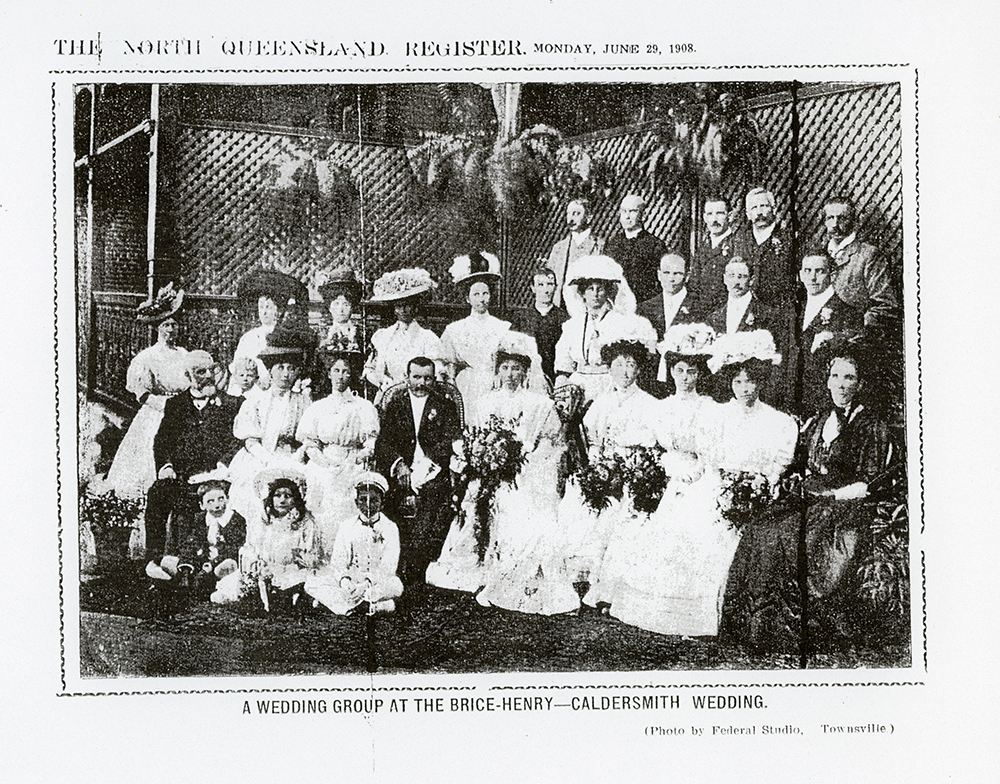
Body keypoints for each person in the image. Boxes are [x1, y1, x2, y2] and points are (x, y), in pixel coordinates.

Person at [721, 351, 896, 652]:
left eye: (849, 377)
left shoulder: (872, 425)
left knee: (790, 537)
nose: (841, 385)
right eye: (835, 376)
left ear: (860, 383)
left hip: (844, 503)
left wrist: (831, 495)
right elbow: (801, 464)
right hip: (810, 496)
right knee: (760, 528)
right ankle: (753, 626)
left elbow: (868, 482)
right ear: (827, 381)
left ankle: (792, 631)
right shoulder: (819, 420)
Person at [607, 324, 725, 633]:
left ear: (700, 374)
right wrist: (669, 466)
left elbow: (711, 453)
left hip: (701, 480)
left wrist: (697, 470)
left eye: (692, 371)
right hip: (670, 477)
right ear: (671, 371)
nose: (685, 378)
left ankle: (694, 612)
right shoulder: (662, 407)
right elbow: (653, 446)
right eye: (680, 370)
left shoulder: (710, 408)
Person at [451, 333, 578, 613]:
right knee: (478, 500)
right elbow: (476, 438)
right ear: (497, 371)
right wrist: (485, 460)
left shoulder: (539, 404)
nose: (510, 374)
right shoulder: (485, 402)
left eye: (516, 368)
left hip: (528, 471)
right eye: (505, 368)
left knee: (525, 510)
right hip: (491, 472)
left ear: (525, 372)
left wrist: (526, 461)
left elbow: (552, 443)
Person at [574, 336, 665, 608]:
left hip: (635, 471)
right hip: (606, 469)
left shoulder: (650, 404)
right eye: (618, 365)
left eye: (630, 365)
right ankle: (589, 574)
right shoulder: (602, 401)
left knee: (623, 514)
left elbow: (654, 446)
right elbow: (593, 440)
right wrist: (599, 465)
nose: (624, 372)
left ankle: (615, 581)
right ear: (610, 369)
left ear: (638, 370)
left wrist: (634, 467)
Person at [145, 351, 243, 568]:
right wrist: (166, 466)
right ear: (188, 376)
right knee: (157, 493)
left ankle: (218, 562)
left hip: (218, 476)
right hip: (183, 476)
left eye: (212, 370)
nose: (208, 376)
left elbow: (238, 440)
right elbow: (162, 440)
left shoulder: (231, 404)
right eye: (200, 372)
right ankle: (155, 560)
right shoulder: (176, 405)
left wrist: (224, 464)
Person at [375, 357, 462, 594]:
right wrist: (399, 464)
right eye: (416, 377)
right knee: (389, 502)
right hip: (401, 471)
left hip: (432, 471)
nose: (422, 382)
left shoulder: (444, 405)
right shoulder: (396, 404)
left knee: (433, 500)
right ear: (407, 377)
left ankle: (416, 569)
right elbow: (384, 442)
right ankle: (392, 566)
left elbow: (450, 441)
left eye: (427, 378)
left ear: (433, 379)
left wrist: (426, 466)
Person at [106, 284, 189, 501]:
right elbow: (141, 393)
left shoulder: (184, 354)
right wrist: (164, 405)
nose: (171, 330)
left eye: (174, 325)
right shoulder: (147, 357)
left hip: (182, 409)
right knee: (150, 455)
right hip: (156, 411)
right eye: (166, 325)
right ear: (158, 328)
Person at [226, 325, 314, 523]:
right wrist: (268, 460)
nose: (286, 374)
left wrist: (295, 458)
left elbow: (308, 438)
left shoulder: (304, 401)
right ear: (271, 370)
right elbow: (250, 441)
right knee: (253, 491)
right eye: (280, 368)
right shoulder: (256, 401)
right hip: (260, 456)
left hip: (293, 457)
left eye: (291, 369)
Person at [297, 350, 380, 542]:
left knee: (349, 494)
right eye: (336, 370)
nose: (340, 376)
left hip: (352, 462)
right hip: (323, 461)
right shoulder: (318, 407)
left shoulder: (363, 407)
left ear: (352, 375)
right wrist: (324, 462)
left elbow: (370, 445)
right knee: (319, 489)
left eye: (345, 371)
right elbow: (310, 443)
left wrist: (352, 461)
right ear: (329, 373)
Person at [553, 255, 657, 403]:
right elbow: (564, 361)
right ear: (582, 293)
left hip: (609, 384)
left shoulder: (620, 322)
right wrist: (563, 384)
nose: (595, 294)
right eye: (590, 289)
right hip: (578, 385)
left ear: (607, 292)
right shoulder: (573, 325)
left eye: (600, 289)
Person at [305, 473, 403, 616]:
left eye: (374, 500)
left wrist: (365, 585)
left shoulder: (390, 527)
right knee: (311, 583)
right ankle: (373, 605)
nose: (368, 505)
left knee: (396, 586)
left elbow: (389, 566)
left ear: (382, 503)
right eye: (363, 500)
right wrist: (345, 582)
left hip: (376, 582)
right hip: (351, 580)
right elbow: (338, 562)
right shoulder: (346, 526)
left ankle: (341, 605)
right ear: (356, 502)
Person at [438, 251, 514, 420]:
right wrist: (451, 384)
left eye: (485, 293)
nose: (482, 299)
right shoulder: (455, 329)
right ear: (467, 298)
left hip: (495, 383)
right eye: (476, 294)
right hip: (467, 385)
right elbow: (448, 362)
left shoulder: (502, 327)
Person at [242, 467, 324, 611]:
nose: (282, 500)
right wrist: (257, 560)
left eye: (287, 496)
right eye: (277, 495)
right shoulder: (265, 521)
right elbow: (253, 545)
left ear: (295, 499)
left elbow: (311, 554)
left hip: (294, 569)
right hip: (267, 568)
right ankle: (269, 595)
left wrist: (296, 555)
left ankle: (294, 595)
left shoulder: (305, 523)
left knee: (306, 581)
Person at [795, 252, 864, 415]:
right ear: (800, 275)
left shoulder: (848, 313)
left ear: (832, 275)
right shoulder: (794, 311)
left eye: (819, 271)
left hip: (826, 407)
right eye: (807, 271)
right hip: (795, 403)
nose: (812, 277)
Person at [823, 196, 899, 332]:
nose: (835, 224)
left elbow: (886, 306)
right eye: (830, 218)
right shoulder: (819, 255)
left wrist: (849, 334)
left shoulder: (869, 255)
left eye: (842, 218)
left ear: (853, 222)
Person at [364, 268, 443, 392]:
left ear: (415, 308)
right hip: (389, 394)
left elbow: (438, 372)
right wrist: (383, 381)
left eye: (408, 305)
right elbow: (369, 369)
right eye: (399, 306)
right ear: (394, 309)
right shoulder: (383, 336)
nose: (404, 310)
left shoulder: (428, 338)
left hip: (420, 394)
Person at [637, 253, 700, 382]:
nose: (671, 279)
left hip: (685, 378)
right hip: (652, 378)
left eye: (677, 273)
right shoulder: (644, 308)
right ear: (659, 275)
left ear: (687, 276)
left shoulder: (699, 306)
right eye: (666, 273)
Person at [689, 196, 750, 315]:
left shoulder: (738, 244)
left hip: (727, 313)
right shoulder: (703, 246)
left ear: (730, 215)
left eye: (720, 213)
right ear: (704, 217)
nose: (714, 220)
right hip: (701, 313)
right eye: (710, 214)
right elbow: (694, 283)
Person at [510, 265, 569, 387]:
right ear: (533, 288)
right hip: (527, 378)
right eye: (541, 285)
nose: (546, 290)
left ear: (556, 287)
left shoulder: (564, 319)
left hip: (555, 378)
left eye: (550, 284)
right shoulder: (521, 318)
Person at [603, 193, 667, 305]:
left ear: (643, 214)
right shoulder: (612, 244)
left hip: (644, 306)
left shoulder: (655, 245)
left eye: (632, 211)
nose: (627, 216)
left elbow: (662, 282)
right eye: (624, 211)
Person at [742, 187, 797, 308]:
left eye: (763, 206)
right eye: (754, 208)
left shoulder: (790, 240)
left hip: (779, 311)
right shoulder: (740, 240)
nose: (759, 212)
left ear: (774, 209)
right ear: (748, 214)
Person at [545, 198, 605, 308]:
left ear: (588, 217)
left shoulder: (600, 246)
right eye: (569, 214)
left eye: (576, 213)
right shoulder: (559, 248)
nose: (571, 218)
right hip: (560, 307)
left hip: (587, 308)